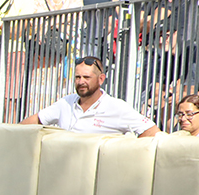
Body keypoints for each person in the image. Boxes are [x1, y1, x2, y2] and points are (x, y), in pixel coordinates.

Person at [22, 57, 159, 136]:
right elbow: (33, 121)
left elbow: (152, 132)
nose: (81, 82)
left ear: (101, 79)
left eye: (86, 77)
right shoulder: (66, 102)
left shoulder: (116, 107)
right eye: (77, 77)